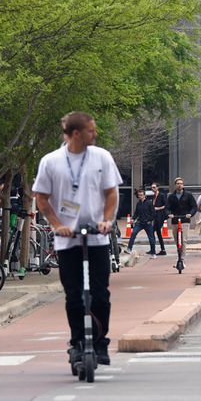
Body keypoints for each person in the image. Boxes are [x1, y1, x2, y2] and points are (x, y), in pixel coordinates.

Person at [33, 112, 121, 368]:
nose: (95, 134)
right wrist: (57, 225)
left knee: (100, 294)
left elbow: (111, 193)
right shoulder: (51, 161)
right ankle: (78, 343)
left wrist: (107, 221)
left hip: (97, 239)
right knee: (74, 296)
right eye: (91, 131)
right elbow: (42, 198)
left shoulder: (102, 157)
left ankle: (100, 342)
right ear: (76, 134)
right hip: (67, 241)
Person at [166, 177, 197, 255]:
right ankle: (179, 253)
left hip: (185, 219)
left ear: (183, 185)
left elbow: (194, 206)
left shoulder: (188, 195)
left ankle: (182, 257)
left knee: (183, 240)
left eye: (181, 184)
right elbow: (167, 208)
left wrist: (190, 214)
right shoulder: (171, 196)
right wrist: (169, 214)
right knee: (176, 240)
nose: (179, 185)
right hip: (175, 219)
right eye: (178, 184)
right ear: (175, 185)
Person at [126, 188, 155, 253]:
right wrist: (133, 219)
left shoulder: (149, 203)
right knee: (133, 233)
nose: (140, 196)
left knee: (151, 238)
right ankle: (129, 249)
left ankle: (153, 252)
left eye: (141, 195)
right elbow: (136, 213)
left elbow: (153, 213)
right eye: (139, 195)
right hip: (140, 223)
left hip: (147, 223)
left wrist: (150, 220)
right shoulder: (138, 203)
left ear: (144, 195)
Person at [149, 182, 167, 256]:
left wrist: (157, 208)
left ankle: (158, 249)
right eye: (152, 187)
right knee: (156, 232)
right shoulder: (153, 196)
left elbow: (166, 205)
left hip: (160, 215)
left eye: (154, 187)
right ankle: (160, 249)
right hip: (155, 216)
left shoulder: (161, 195)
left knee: (154, 231)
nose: (152, 189)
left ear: (157, 187)